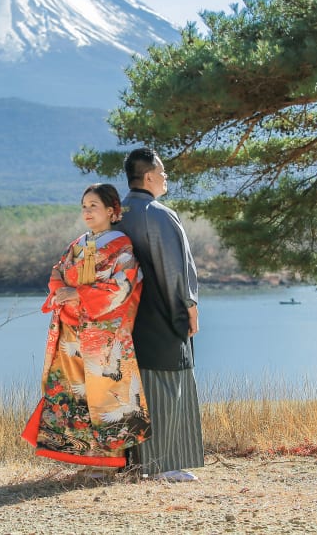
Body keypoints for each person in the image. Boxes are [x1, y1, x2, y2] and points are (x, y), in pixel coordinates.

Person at [22, 183, 150, 477]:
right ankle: (86, 458)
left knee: (107, 397)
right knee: (76, 393)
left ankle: (110, 462)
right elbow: (57, 273)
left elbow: (122, 285)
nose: (87, 212)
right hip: (73, 329)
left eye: (94, 206)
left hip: (105, 332)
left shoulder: (122, 246)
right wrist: (64, 291)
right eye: (84, 206)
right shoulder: (78, 243)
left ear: (112, 210)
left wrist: (78, 294)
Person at [115, 146, 204, 482]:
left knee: (131, 390)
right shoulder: (158, 213)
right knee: (168, 383)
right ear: (148, 176)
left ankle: (130, 464)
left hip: (124, 316)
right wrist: (188, 307)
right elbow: (176, 269)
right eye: (162, 172)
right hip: (160, 311)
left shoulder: (116, 213)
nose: (166, 177)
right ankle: (163, 464)